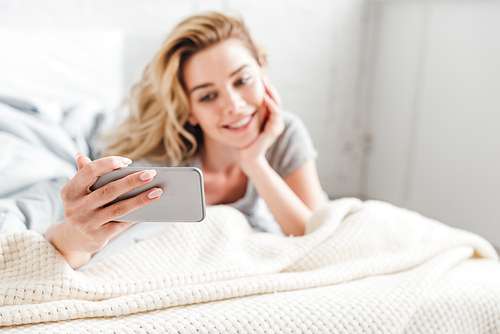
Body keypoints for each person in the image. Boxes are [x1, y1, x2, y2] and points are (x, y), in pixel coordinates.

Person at [45, 12, 326, 269]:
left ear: (262, 71)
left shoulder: (284, 131)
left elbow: (317, 239)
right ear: (189, 110)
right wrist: (76, 236)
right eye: (208, 96)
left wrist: (254, 162)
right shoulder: (159, 162)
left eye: (242, 80)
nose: (234, 105)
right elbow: (81, 248)